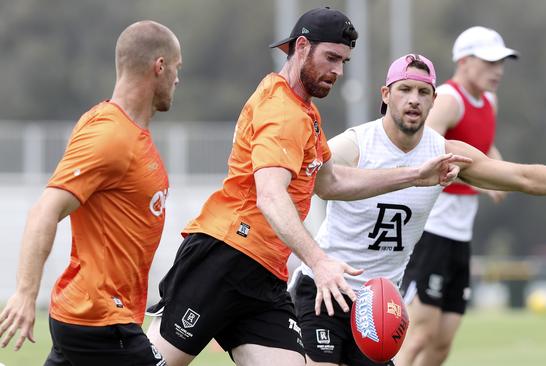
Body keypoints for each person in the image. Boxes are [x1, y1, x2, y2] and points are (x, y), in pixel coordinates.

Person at [144, 8, 466, 366]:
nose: (339, 71)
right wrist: (320, 262)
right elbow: (270, 194)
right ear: (301, 47)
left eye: (344, 61)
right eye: (331, 58)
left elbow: (332, 182)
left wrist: (414, 175)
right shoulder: (282, 111)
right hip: (224, 257)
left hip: (265, 275)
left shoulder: (306, 113)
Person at [290, 52, 546, 366]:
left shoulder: (444, 152)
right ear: (386, 95)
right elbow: (313, 178)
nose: (413, 100)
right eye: (404, 89)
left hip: (380, 300)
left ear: (433, 102)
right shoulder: (356, 143)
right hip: (326, 288)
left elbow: (523, 177)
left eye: (423, 92)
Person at [0, 20, 182, 365]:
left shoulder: (124, 131)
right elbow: (46, 209)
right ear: (159, 66)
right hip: (98, 317)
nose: (177, 79)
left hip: (99, 314)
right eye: (176, 67)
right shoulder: (110, 136)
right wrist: (25, 293)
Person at [396, 26, 516, 366]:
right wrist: (482, 180)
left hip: (460, 233)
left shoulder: (489, 100)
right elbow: (426, 153)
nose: (499, 71)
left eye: (502, 63)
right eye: (490, 62)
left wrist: (498, 169)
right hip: (433, 229)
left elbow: (482, 145)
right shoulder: (448, 100)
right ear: (464, 61)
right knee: (419, 335)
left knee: (442, 342)